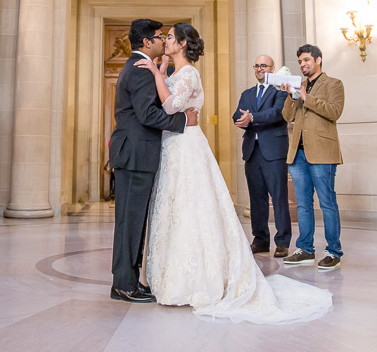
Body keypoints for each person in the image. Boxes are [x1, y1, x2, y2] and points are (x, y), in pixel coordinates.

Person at [137, 24, 332, 324]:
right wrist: (161, 70)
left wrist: (154, 72)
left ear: (183, 43)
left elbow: (170, 104)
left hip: (189, 146)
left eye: (171, 37)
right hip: (177, 144)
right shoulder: (179, 74)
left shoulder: (189, 73)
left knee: (195, 205)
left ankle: (215, 270)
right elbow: (174, 102)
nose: (166, 40)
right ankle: (173, 272)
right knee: (176, 207)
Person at [109, 19, 198, 303]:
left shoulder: (144, 68)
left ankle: (130, 280)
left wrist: (160, 76)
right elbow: (147, 115)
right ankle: (123, 284)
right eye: (159, 37)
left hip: (136, 153)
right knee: (129, 222)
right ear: (147, 43)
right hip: (135, 154)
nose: (163, 40)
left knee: (134, 221)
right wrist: (183, 119)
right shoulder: (138, 70)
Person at [279, 44, 345, 271]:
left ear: (318, 60)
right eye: (299, 61)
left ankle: (333, 251)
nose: (302, 64)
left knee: (327, 203)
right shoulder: (299, 86)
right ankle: (305, 249)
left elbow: (335, 111)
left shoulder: (334, 84)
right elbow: (287, 116)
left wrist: (306, 97)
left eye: (306, 60)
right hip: (297, 152)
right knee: (303, 205)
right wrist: (291, 95)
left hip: (323, 152)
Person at [233, 54, 291, 258]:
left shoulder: (280, 92)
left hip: (273, 151)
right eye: (256, 66)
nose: (259, 69)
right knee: (256, 199)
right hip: (252, 151)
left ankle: (282, 242)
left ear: (272, 69)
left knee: (279, 197)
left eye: (263, 66)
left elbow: (277, 114)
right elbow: (236, 115)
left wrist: (252, 118)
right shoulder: (247, 93)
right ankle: (260, 240)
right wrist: (242, 118)